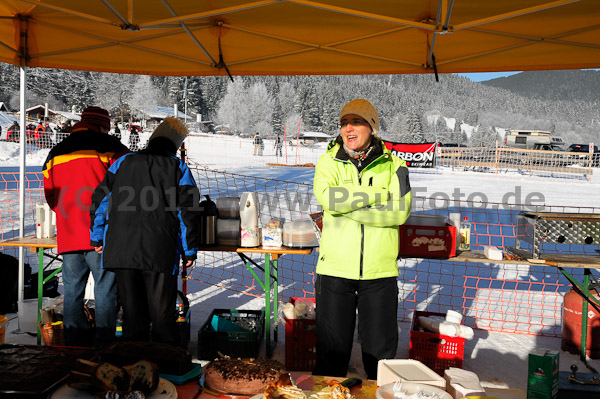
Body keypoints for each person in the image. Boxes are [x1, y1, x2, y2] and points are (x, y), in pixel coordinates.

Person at [312, 99, 412, 380]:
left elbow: (400, 211)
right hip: (334, 270)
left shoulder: (395, 164)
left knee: (380, 357)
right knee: (331, 355)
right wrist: (379, 194)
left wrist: (348, 204)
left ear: (372, 127)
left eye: (356, 122)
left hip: (379, 273)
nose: (348, 128)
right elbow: (329, 199)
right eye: (344, 123)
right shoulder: (327, 161)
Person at [90, 117, 200, 345]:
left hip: (122, 249)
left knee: (132, 314)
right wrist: (189, 251)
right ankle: (163, 367)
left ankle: (133, 365)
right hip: (160, 249)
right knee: (162, 316)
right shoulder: (178, 167)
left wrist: (97, 236)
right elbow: (188, 212)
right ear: (174, 146)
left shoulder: (123, 162)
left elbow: (100, 201)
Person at [43, 106, 129, 347]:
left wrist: (66, 215)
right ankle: (104, 345)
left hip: (69, 233)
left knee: (71, 291)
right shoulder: (113, 148)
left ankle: (73, 345)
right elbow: (128, 186)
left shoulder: (55, 152)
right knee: (105, 289)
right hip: (102, 234)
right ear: (102, 125)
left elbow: (50, 195)